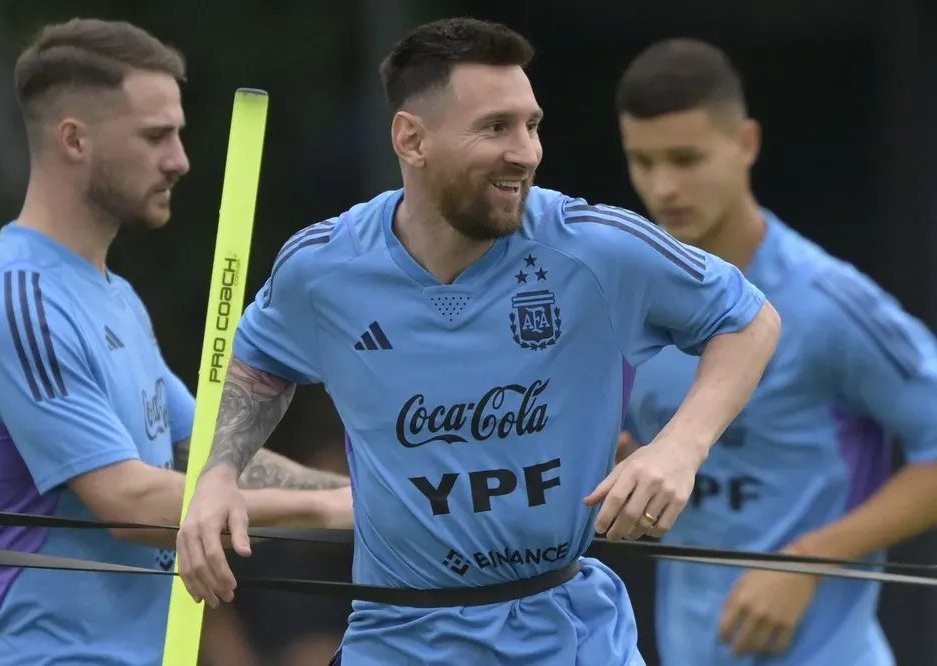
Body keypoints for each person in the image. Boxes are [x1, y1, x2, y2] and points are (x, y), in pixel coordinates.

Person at [176, 18, 781, 666]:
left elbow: (749, 319)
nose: (526, 152)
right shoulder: (322, 267)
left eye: (531, 125)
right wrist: (218, 475)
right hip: (396, 638)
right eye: (496, 127)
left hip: (567, 632)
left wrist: (680, 448)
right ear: (412, 139)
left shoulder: (595, 247)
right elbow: (260, 366)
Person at [0, 18, 352, 666]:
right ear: (74, 139)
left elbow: (209, 456)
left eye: (178, 135)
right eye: (156, 136)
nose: (180, 160)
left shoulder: (116, 297)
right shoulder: (16, 303)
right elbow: (131, 502)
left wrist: (373, 498)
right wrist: (329, 513)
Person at [613, 38, 937, 666]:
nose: (664, 186)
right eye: (642, 162)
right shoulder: (629, 304)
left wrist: (807, 560)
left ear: (747, 143)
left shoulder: (828, 303)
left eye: (686, 158)